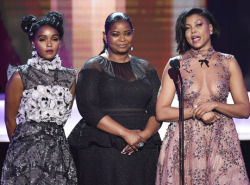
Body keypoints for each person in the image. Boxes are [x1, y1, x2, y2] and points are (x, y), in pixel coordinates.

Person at [155, 7, 250, 185]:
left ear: (211, 28)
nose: (193, 32)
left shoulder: (228, 62)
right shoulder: (175, 64)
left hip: (221, 139)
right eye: (188, 28)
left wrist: (214, 105)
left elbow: (244, 109)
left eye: (198, 25)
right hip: (184, 140)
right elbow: (161, 112)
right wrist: (197, 111)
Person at [73, 12, 162, 185]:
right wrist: (125, 134)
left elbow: (157, 108)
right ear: (105, 36)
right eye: (115, 34)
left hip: (143, 147)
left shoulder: (147, 67)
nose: (122, 39)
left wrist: (143, 136)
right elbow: (88, 108)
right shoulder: (93, 66)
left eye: (127, 33)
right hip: (103, 146)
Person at [1, 11, 77, 184]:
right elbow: (10, 119)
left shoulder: (70, 78)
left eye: (54, 38)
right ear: (33, 43)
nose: (49, 44)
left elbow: (63, 117)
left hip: (58, 151)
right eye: (42, 39)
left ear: (60, 42)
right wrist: (20, 151)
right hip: (25, 152)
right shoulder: (21, 75)